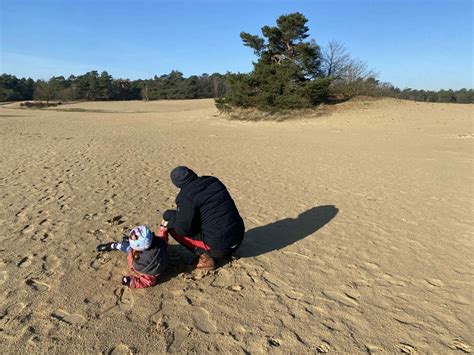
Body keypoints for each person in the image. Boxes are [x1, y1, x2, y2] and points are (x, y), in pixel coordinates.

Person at [162, 166, 245, 270]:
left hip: (220, 247)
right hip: (239, 236)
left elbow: (183, 229)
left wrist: (168, 216)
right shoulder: (213, 181)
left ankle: (205, 258)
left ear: (176, 183)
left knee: (172, 225)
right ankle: (228, 250)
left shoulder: (185, 197)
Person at [96, 225, 169, 289]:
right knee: (129, 247)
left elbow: (147, 281)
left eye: (135, 236)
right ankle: (125, 242)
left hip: (136, 255)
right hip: (149, 255)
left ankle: (113, 245)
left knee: (128, 248)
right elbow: (163, 239)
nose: (133, 234)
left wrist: (131, 281)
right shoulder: (160, 243)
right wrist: (163, 229)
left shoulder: (147, 268)